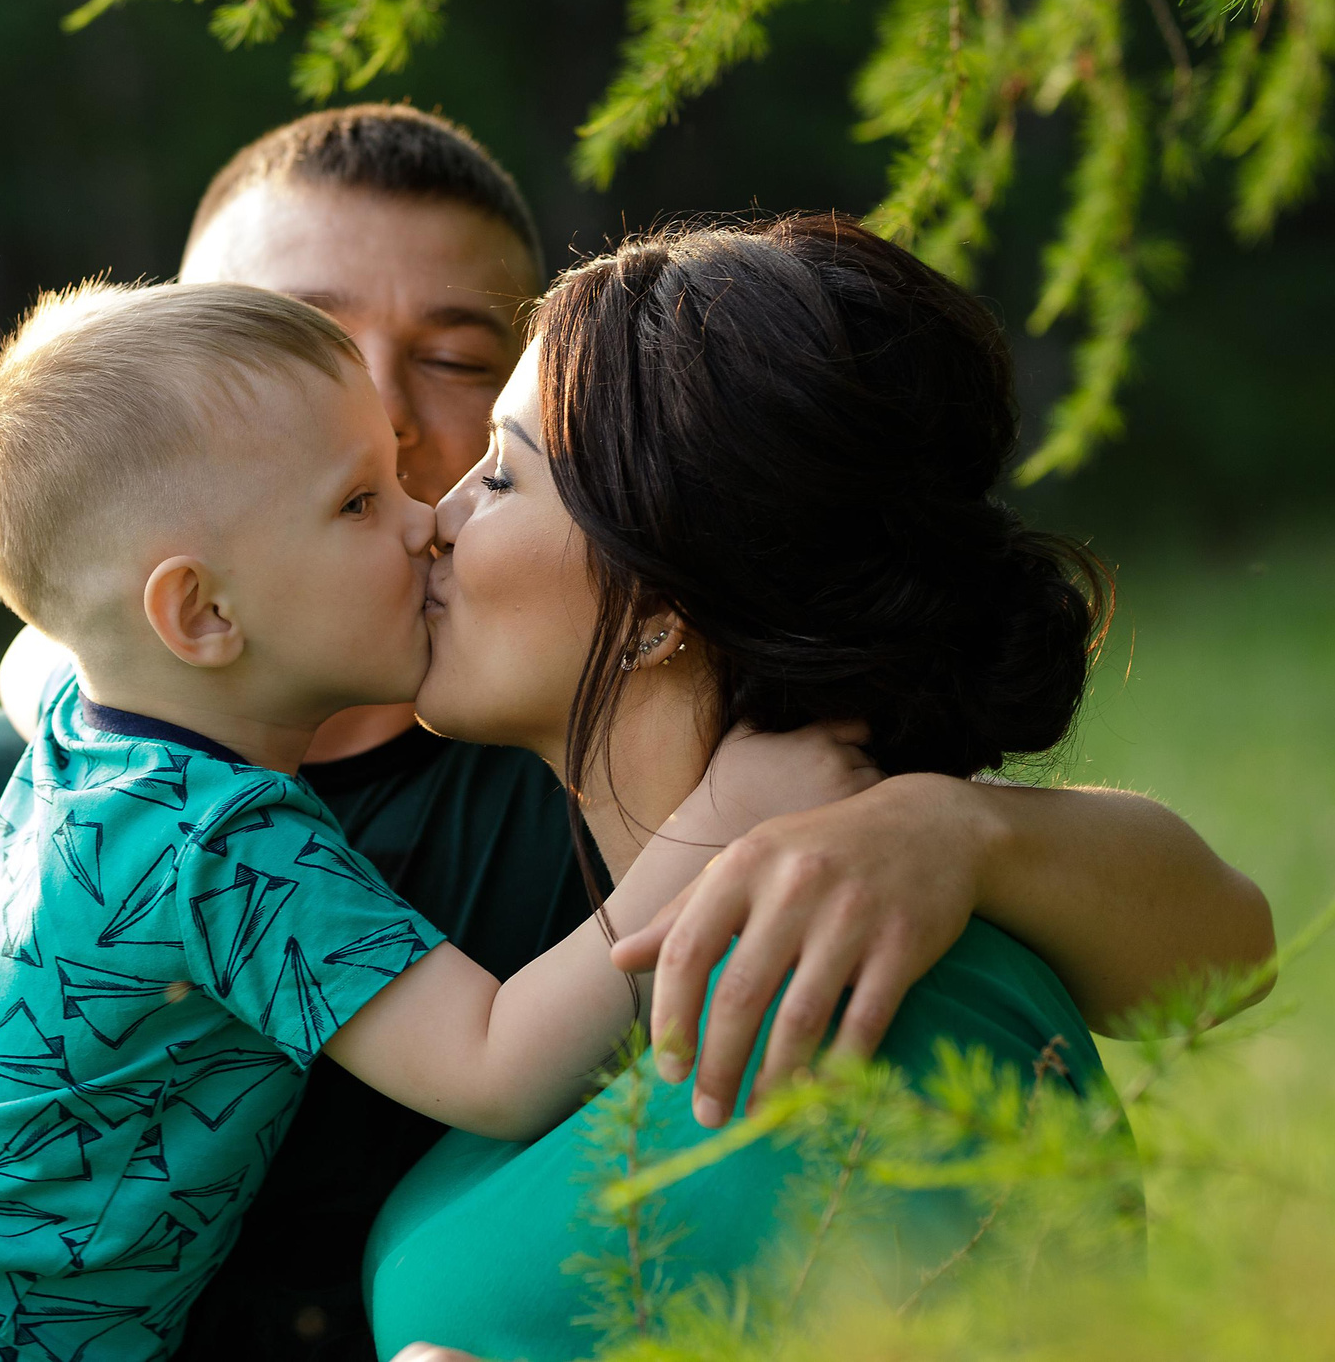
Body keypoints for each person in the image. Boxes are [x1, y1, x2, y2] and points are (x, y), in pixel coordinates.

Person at [0, 106, 1273, 1362]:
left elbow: (1212, 946)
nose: (411, 451)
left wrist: (948, 827)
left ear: (667, 572)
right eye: (298, 367)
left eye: (480, 416)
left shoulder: (748, 906)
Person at [0, 279, 845, 1362]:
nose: (426, 524)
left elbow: (54, 647)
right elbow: (495, 1062)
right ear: (202, 612)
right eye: (360, 502)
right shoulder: (227, 852)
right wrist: (727, 823)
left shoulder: (96, 726)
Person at [373, 215, 1140, 1360]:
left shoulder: (867, 1003)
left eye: (499, 476)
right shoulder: (601, 947)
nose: (431, 521)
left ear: (657, 608)